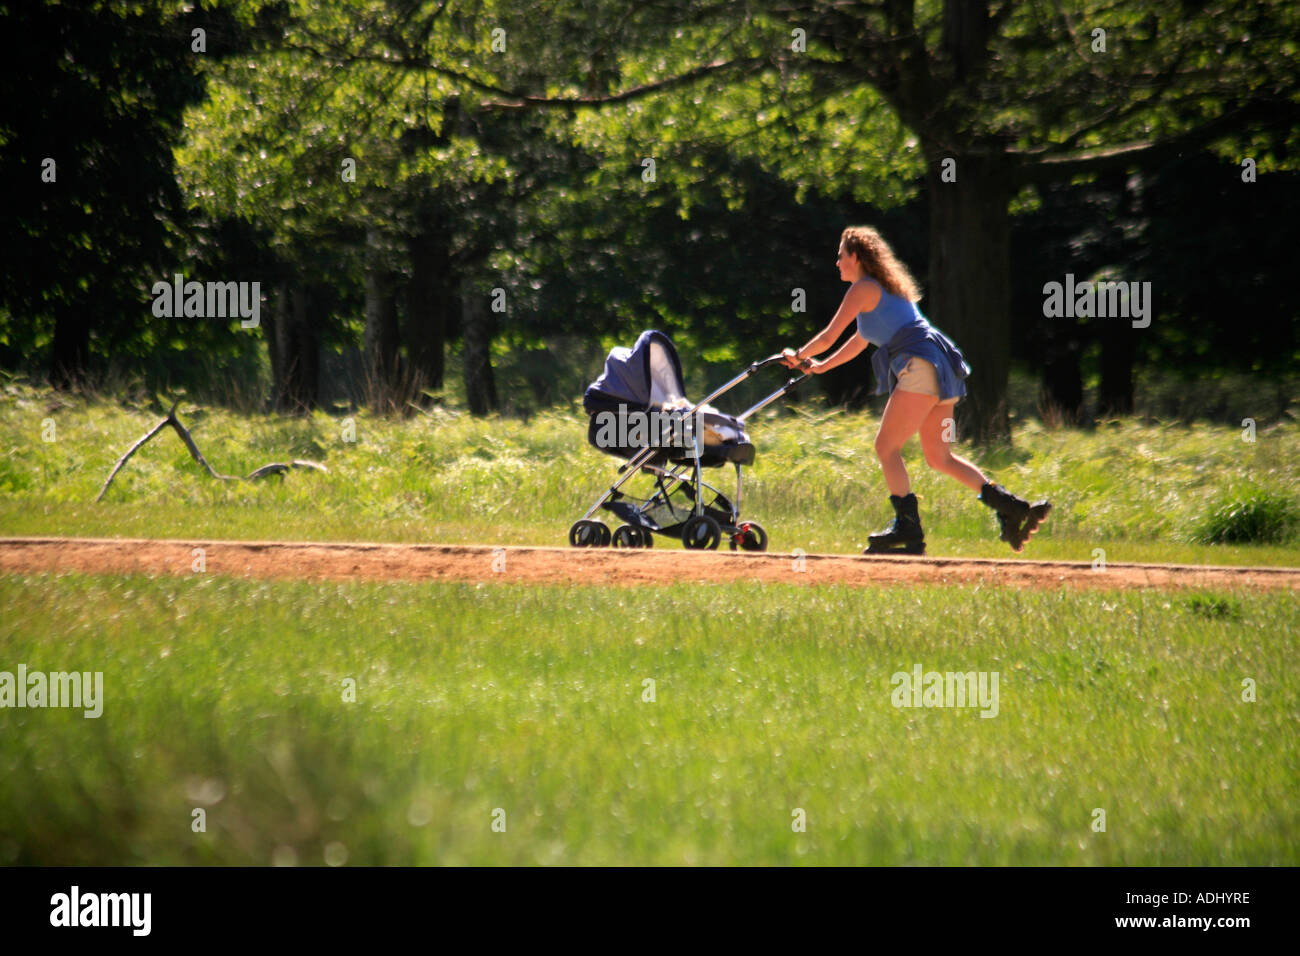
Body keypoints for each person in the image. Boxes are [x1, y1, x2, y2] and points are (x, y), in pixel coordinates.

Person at [781, 225, 1050, 555]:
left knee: (885, 446)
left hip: (920, 366)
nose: (837, 263)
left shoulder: (862, 289)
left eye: (840, 257)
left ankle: (908, 529)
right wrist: (819, 366)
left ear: (855, 257)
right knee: (940, 457)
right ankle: (1010, 507)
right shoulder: (885, 290)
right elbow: (857, 342)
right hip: (942, 366)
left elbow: (828, 336)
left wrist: (799, 356)